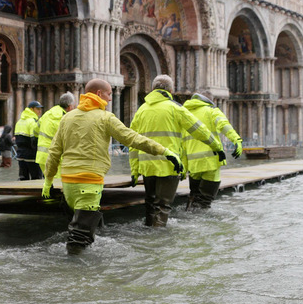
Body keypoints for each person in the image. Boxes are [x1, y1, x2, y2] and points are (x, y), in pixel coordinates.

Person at [41, 79, 179, 254]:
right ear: (99, 94)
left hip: (68, 185)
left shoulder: (67, 117)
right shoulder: (105, 118)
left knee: (79, 224)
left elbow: (54, 152)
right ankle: (75, 274)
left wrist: (48, 180)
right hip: (89, 183)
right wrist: (165, 151)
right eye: (109, 94)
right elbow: (133, 138)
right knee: (79, 238)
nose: (111, 99)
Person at [129, 75, 222, 227]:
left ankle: (147, 234)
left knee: (150, 203)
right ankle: (158, 241)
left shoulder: (141, 110)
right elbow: (200, 131)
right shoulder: (175, 108)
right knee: (162, 205)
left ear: (153, 89)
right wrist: (217, 147)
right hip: (169, 165)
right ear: (171, 90)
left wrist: (134, 170)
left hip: (147, 166)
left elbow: (132, 142)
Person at [181, 91, 242, 209]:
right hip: (210, 162)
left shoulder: (185, 115)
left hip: (193, 164)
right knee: (205, 200)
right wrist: (236, 140)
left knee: (194, 196)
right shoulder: (211, 111)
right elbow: (224, 125)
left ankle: (189, 217)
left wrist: (184, 166)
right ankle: (201, 224)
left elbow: (181, 143)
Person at [35, 92, 76, 171]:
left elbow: (35, 130)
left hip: (42, 157)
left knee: (48, 182)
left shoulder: (47, 113)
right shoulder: (65, 118)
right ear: (70, 106)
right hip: (55, 159)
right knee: (58, 182)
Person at [15, 100, 44, 180]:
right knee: (36, 179)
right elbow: (34, 140)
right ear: (31, 109)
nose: (40, 111)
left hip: (20, 155)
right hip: (31, 156)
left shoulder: (19, 121)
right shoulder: (32, 121)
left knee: (23, 179)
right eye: (38, 109)